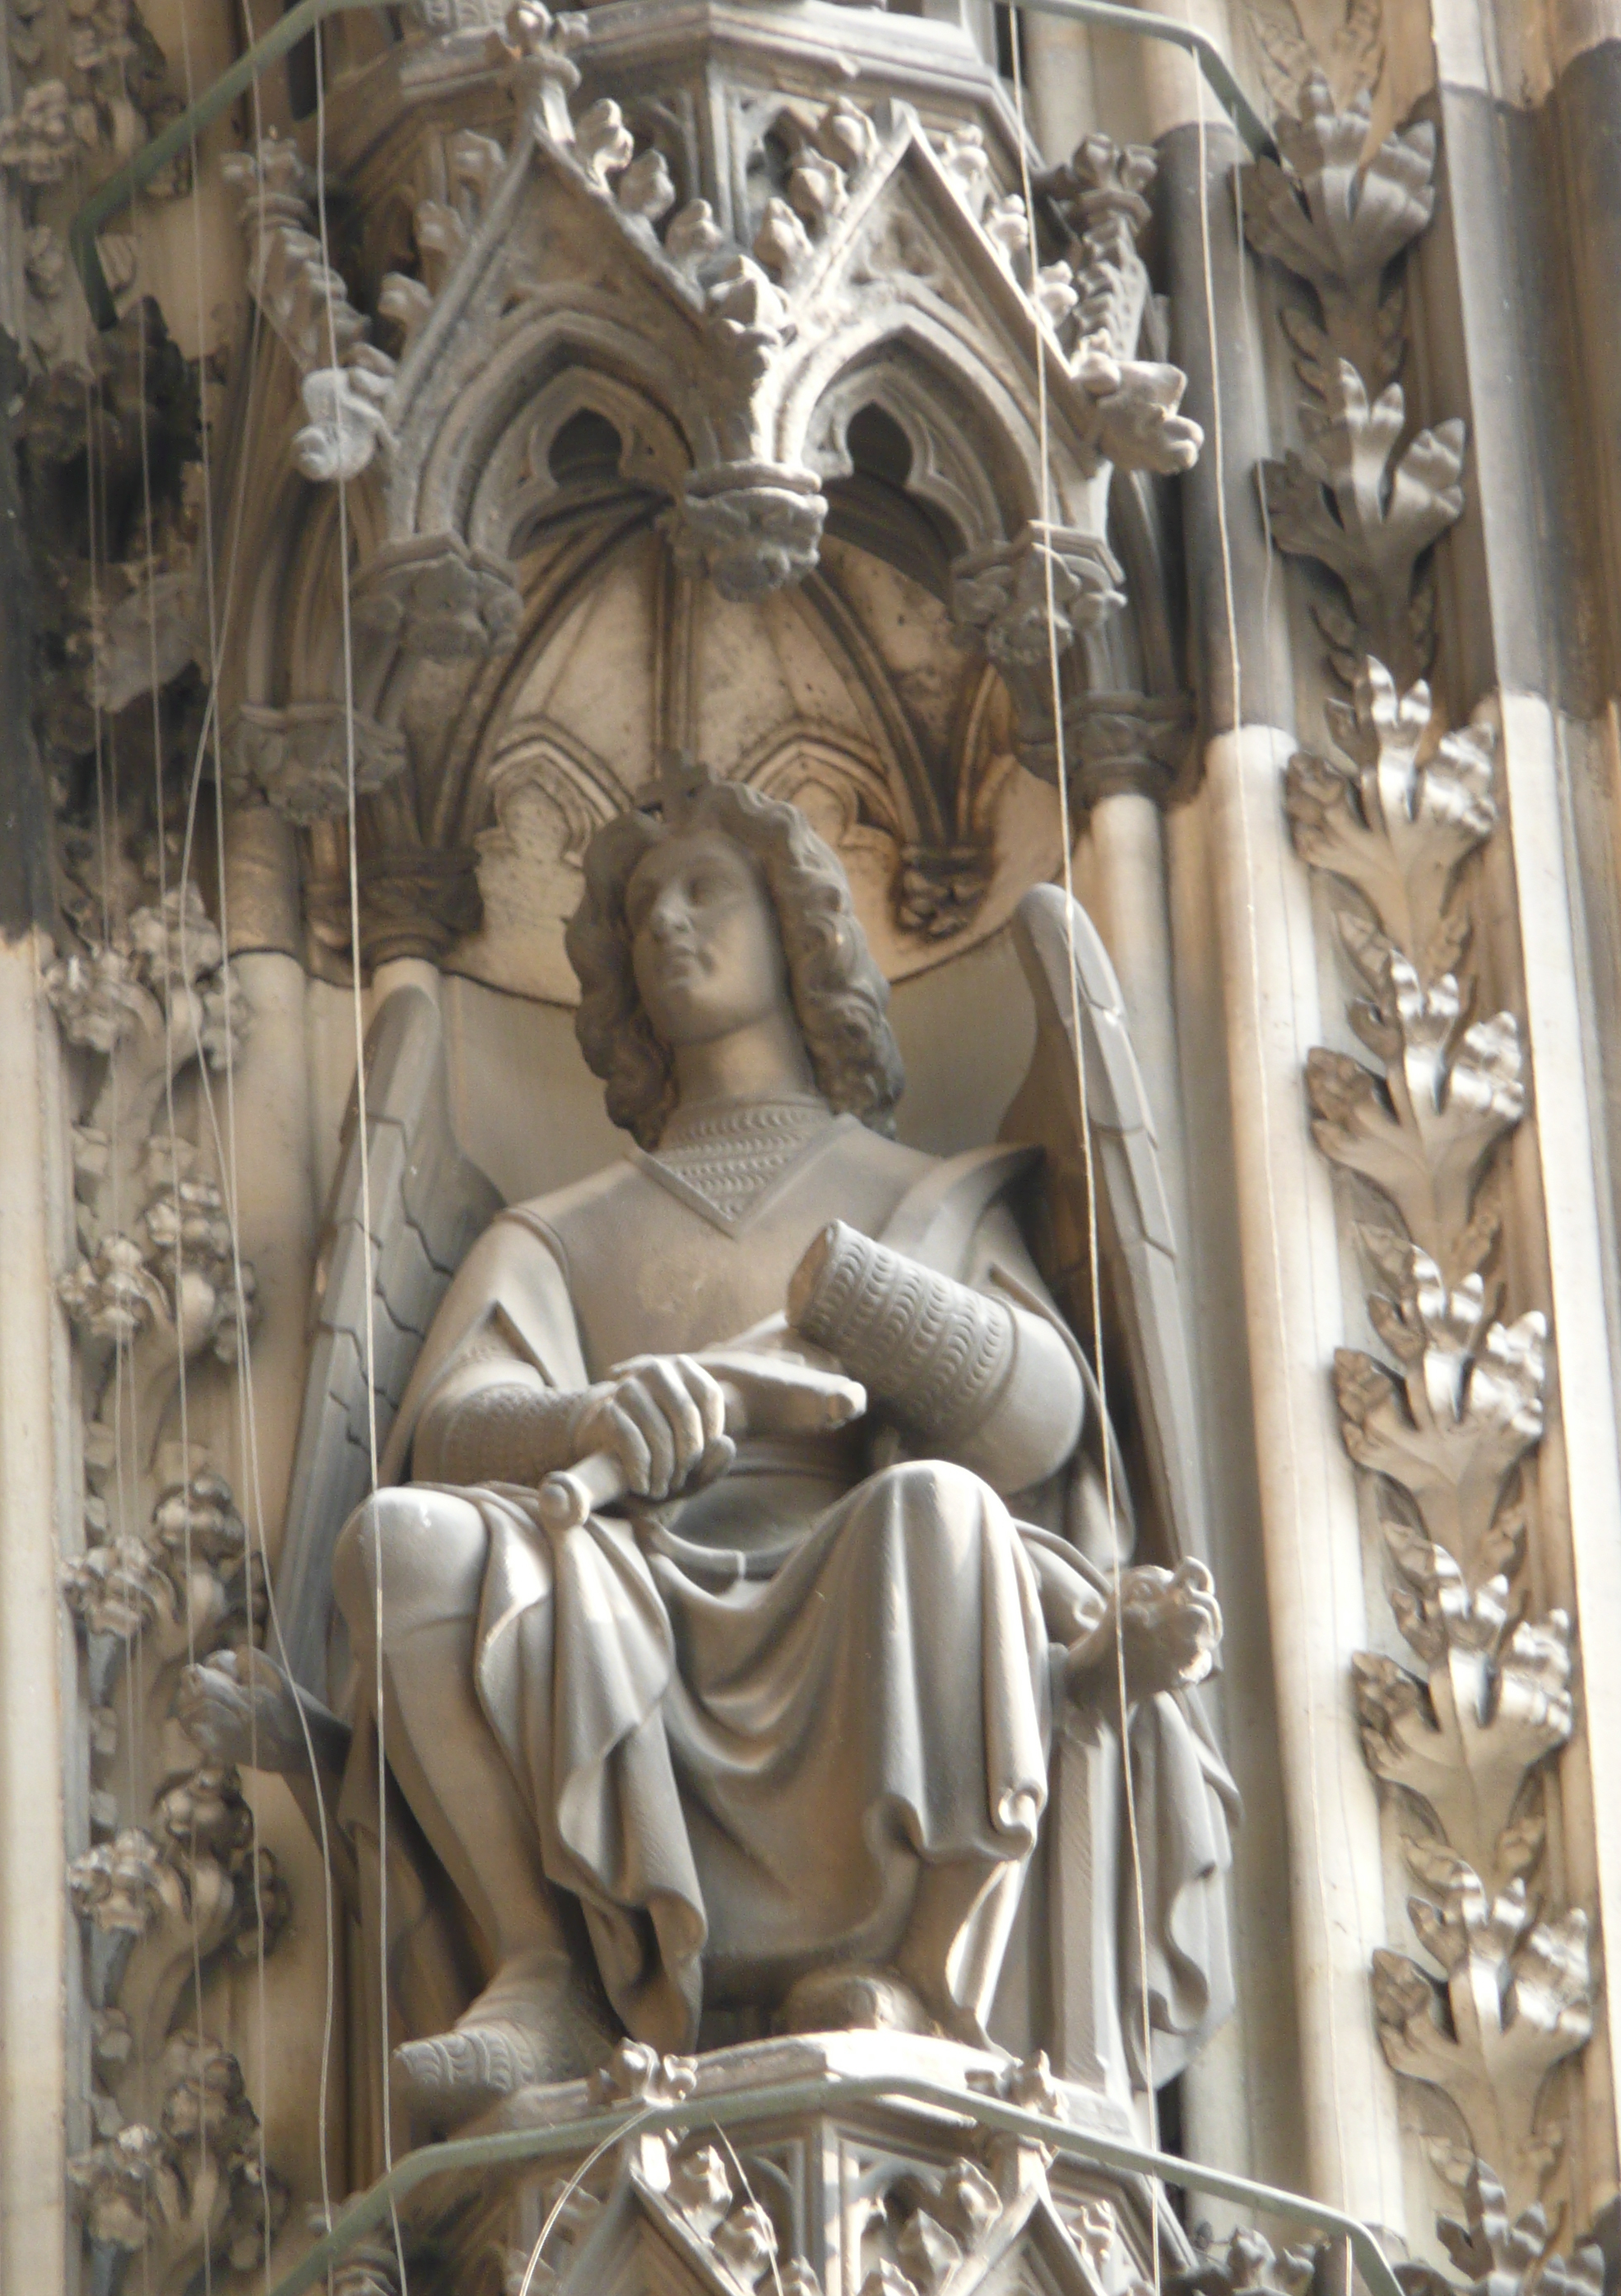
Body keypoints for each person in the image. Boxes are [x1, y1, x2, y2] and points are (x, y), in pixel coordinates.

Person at [185, 762, 1234, 2138]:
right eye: (637, 916)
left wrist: (864, 1299)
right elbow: (448, 1430)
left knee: (943, 1514)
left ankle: (920, 1975)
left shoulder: (921, 1196)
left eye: (705, 890)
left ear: (799, 928)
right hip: (617, 1581)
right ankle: (545, 1969)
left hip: (856, 1586)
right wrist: (594, 1415)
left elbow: (1042, 1421)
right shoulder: (562, 1229)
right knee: (400, 1547)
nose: (667, 927)